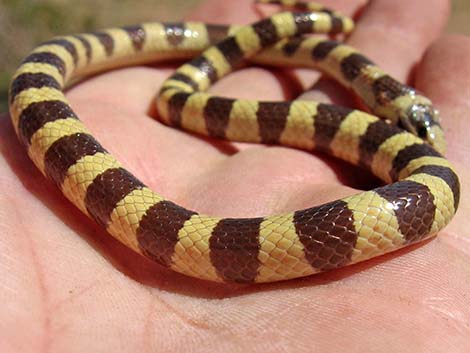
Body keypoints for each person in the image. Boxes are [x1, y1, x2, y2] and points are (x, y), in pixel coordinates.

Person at [0, 0, 468, 351]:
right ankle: (206, 82)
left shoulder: (422, 167)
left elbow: (435, 182)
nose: (427, 138)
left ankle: (215, 78)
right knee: (163, 98)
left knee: (180, 100)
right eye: (413, 124)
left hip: (418, 176)